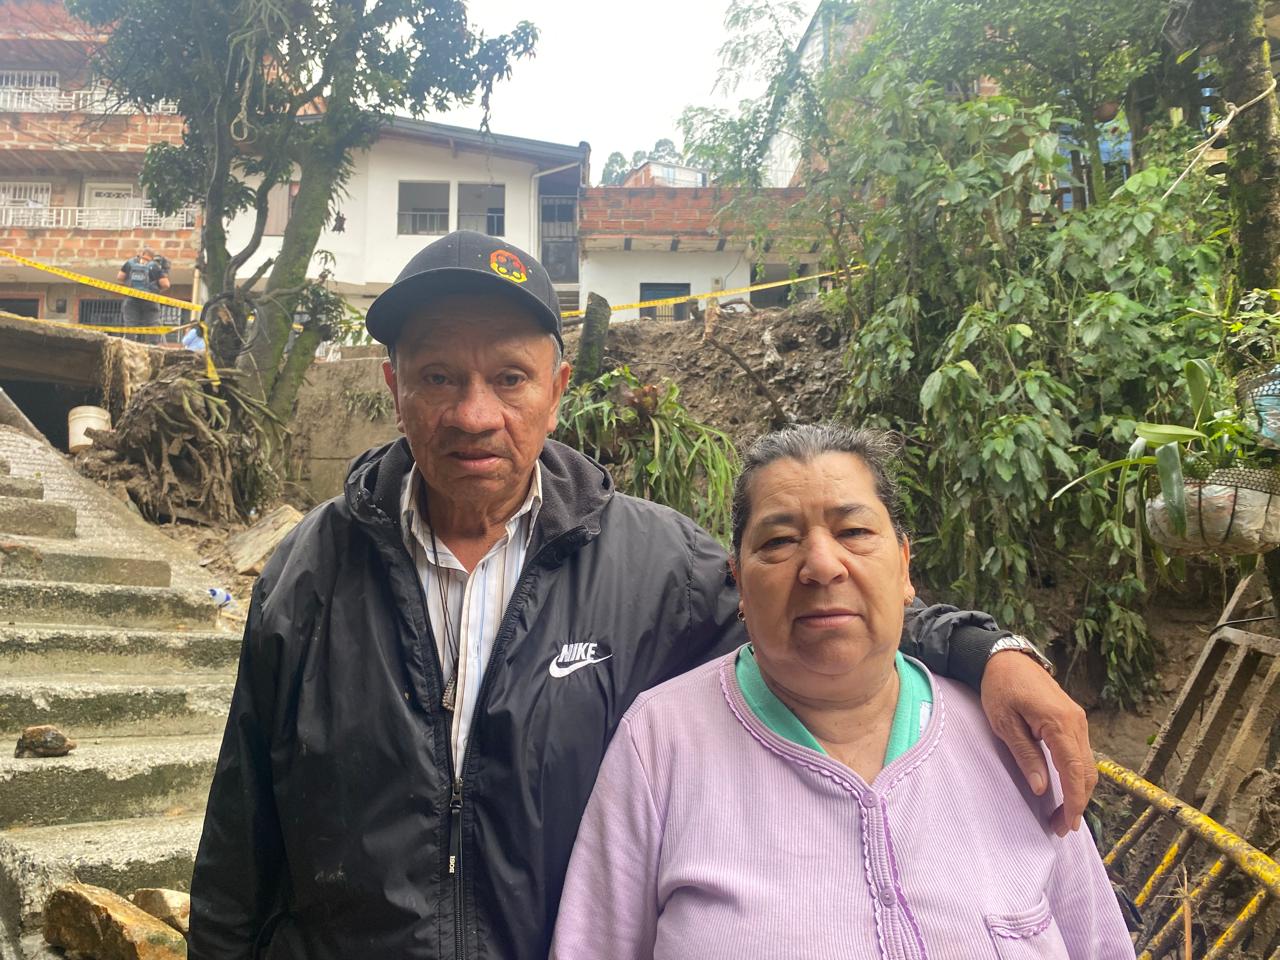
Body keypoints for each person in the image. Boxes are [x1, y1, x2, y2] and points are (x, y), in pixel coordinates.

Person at [188, 231, 1095, 960]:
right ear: (394, 385)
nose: (474, 413)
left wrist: (986, 652)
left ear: (557, 390)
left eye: (509, 377)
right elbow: (240, 847)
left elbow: (818, 610)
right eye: (438, 377)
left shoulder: (652, 564)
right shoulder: (309, 572)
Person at [551, 425, 1131, 960]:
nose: (822, 565)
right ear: (740, 583)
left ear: (904, 566)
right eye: (780, 541)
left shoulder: (1007, 736)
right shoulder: (659, 743)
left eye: (854, 532)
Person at [116, 247, 170, 343]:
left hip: (131, 299)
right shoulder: (154, 266)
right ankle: (152, 347)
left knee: (130, 326)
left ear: (142, 254)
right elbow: (165, 284)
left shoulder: (130, 263)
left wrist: (129, 285)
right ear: (152, 257)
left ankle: (129, 346)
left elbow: (120, 277)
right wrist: (159, 284)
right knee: (152, 325)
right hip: (150, 300)